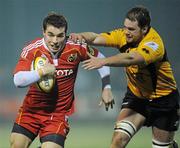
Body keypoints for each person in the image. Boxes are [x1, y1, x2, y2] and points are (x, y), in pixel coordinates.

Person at [69, 6, 180, 148]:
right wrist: (81, 36)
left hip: (164, 100)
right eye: (125, 27)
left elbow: (132, 58)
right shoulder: (123, 35)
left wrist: (103, 61)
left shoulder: (154, 44)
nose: (126, 32)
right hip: (137, 98)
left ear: (145, 29)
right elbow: (96, 37)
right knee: (118, 141)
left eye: (131, 29)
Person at [11, 12, 114, 148]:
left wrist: (106, 88)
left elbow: (102, 60)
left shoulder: (76, 47)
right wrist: (42, 72)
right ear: (43, 32)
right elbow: (18, 81)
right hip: (31, 112)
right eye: (51, 35)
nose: (55, 41)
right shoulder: (32, 50)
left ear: (66, 33)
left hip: (57, 115)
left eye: (60, 36)